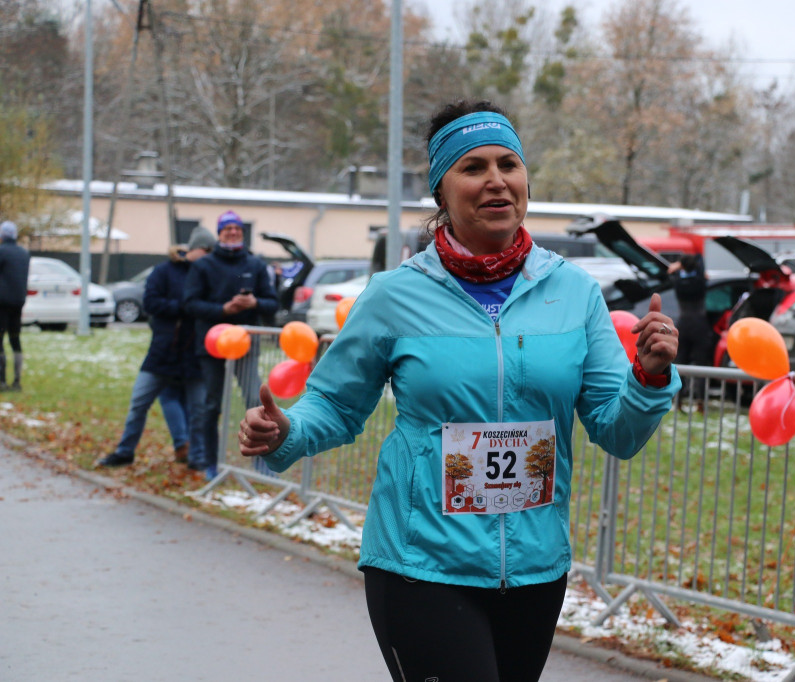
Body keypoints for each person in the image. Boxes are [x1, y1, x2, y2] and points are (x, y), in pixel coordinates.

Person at [236, 100, 681, 682]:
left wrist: (647, 378)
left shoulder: (574, 293)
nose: (496, 180)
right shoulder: (395, 295)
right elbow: (337, 405)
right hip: (422, 567)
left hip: (533, 571)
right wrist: (285, 431)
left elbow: (616, 431)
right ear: (441, 192)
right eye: (473, 167)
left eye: (508, 164)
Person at [97, 230, 217, 469]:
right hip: (162, 353)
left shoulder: (208, 275)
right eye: (206, 251)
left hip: (194, 355)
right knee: (139, 403)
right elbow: (150, 302)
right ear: (195, 248)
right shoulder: (164, 271)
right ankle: (125, 451)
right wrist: (184, 307)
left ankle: (198, 458)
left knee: (199, 410)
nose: (209, 257)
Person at [183, 210, 277, 480]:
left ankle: (262, 463)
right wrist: (223, 309)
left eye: (237, 228)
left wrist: (255, 303)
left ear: (242, 233)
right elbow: (190, 304)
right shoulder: (203, 265)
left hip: (246, 345)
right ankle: (211, 462)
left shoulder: (256, 264)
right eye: (227, 229)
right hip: (212, 346)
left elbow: (273, 303)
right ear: (219, 233)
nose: (233, 233)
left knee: (255, 400)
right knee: (211, 405)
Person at [667, 253, 714, 411]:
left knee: (680, 363)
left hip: (683, 324)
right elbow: (701, 258)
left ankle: (678, 400)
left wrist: (679, 265)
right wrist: (687, 264)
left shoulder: (679, 283)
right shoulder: (700, 281)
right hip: (700, 324)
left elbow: (671, 273)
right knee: (701, 364)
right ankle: (700, 401)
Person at [0, 220, 30, 392]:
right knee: (15, 339)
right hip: (18, 301)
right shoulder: (23, 253)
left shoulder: (1, 252)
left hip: (2, 303)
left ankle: (2, 381)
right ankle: (17, 381)